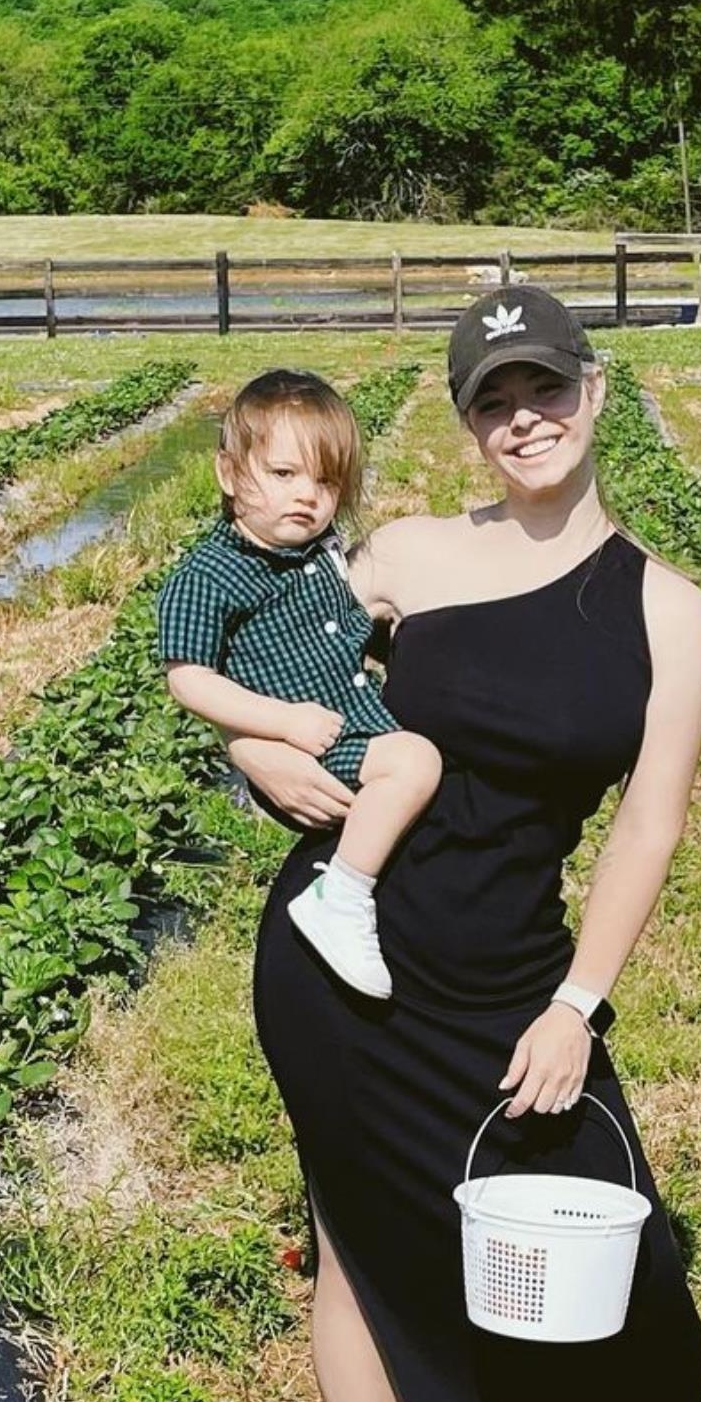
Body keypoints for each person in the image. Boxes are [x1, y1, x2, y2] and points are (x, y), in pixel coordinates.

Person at [225, 287, 701, 1402]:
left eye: (543, 387)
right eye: (492, 397)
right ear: (468, 422)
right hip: (343, 950)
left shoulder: (666, 608)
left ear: (594, 394)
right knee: (352, 1238)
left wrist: (577, 1004)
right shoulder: (406, 554)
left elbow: (648, 822)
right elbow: (260, 664)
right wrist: (252, 758)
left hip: (515, 964)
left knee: (623, 1216)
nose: (520, 417)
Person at [158, 370, 442, 998]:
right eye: (284, 475)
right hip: (312, 742)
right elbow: (188, 678)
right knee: (416, 763)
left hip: (348, 713)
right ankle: (340, 896)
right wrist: (280, 726)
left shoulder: (319, 554)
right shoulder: (212, 573)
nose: (307, 497)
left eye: (326, 481)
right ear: (229, 476)